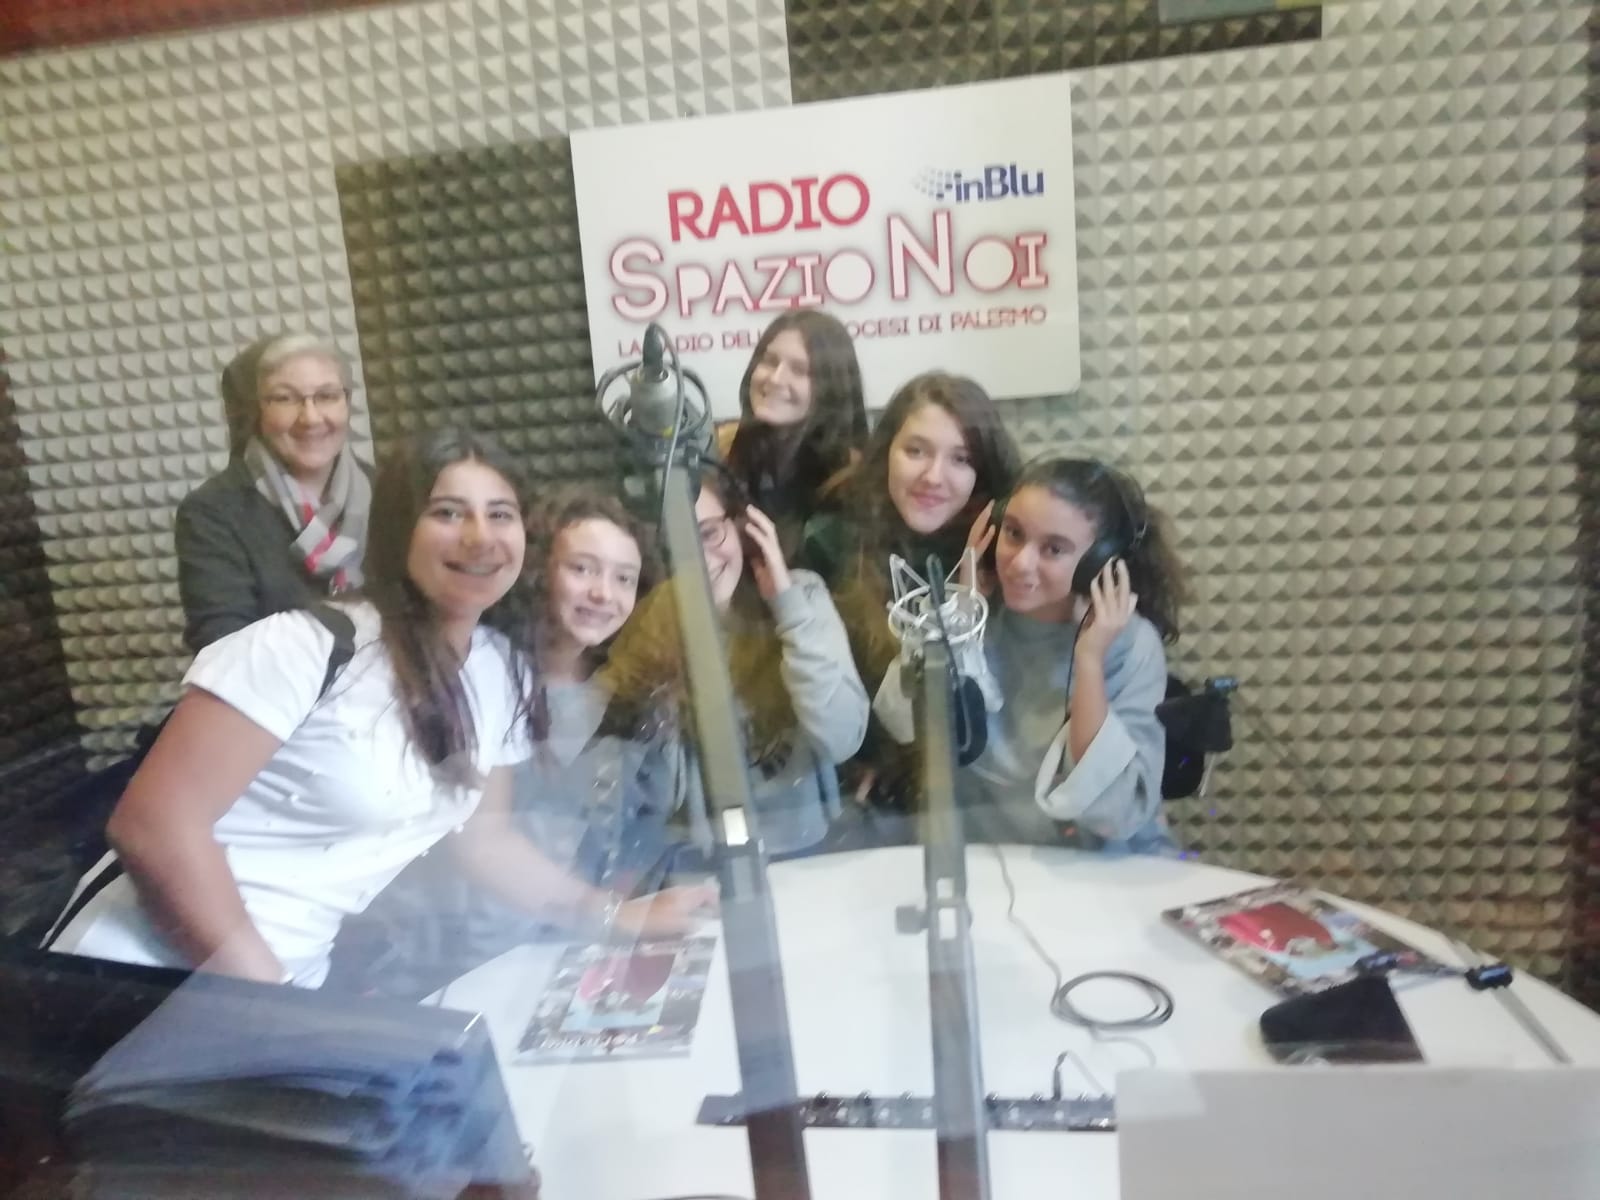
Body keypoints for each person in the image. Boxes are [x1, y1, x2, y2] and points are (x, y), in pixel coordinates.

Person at [48, 430, 704, 987]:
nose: (480, 536)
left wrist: (612, 915)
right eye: (448, 512)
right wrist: (265, 999)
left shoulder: (496, 671)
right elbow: (155, 828)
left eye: (500, 514)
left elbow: (487, 841)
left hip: (282, 983)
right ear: (399, 527)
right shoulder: (305, 646)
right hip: (141, 977)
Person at [333, 487, 664, 996]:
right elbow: (474, 846)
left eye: (624, 578)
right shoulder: (481, 675)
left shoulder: (628, 699)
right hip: (449, 964)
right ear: (538, 570)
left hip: (558, 950)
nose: (603, 592)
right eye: (582, 569)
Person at [879, 456, 1189, 853]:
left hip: (1107, 870)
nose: (1020, 563)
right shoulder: (969, 618)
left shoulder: (1129, 644)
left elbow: (1117, 813)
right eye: (1013, 533)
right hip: (992, 864)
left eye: (1053, 549)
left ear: (1098, 563)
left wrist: (1089, 661)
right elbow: (901, 721)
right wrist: (960, 619)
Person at [601, 463, 869, 858]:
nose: (698, 557)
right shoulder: (658, 613)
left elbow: (841, 737)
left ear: (745, 526)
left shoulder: (804, 596)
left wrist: (787, 605)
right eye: (677, 542)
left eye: (709, 532)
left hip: (804, 848)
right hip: (701, 856)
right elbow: (613, 737)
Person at [800, 371, 1020, 815]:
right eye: (915, 451)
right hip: (869, 802)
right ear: (886, 452)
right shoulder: (831, 543)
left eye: (961, 458)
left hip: (989, 801)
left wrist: (969, 602)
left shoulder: (1012, 552)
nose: (933, 476)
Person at [175, 332, 372, 652]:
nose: (310, 418)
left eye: (326, 396)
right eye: (285, 399)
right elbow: (224, 646)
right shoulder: (212, 513)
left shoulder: (391, 491)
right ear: (257, 411)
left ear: (347, 403)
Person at [717, 310, 869, 557]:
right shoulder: (722, 451)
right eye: (770, 361)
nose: (776, 379)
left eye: (799, 370)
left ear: (831, 386)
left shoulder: (854, 483)